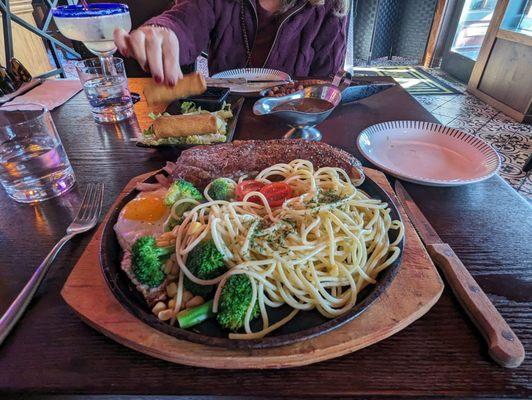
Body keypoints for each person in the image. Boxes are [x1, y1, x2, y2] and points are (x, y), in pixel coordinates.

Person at [113, 0, 349, 86]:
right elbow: (184, 21)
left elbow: (323, 85)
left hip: (290, 125)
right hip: (226, 116)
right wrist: (164, 32)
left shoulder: (331, 7)